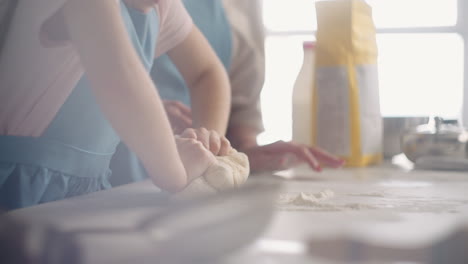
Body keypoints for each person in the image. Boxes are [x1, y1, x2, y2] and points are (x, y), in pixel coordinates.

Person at [0, 0, 231, 210]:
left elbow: (206, 73)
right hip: (15, 186)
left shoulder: (161, 5)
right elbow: (120, 80)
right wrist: (177, 175)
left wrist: (206, 151)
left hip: (85, 193)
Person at [109, 0, 343, 187]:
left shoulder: (222, 16)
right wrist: (148, 113)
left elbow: (209, 75)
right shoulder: (98, 10)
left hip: (174, 183)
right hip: (115, 174)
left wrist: (216, 152)